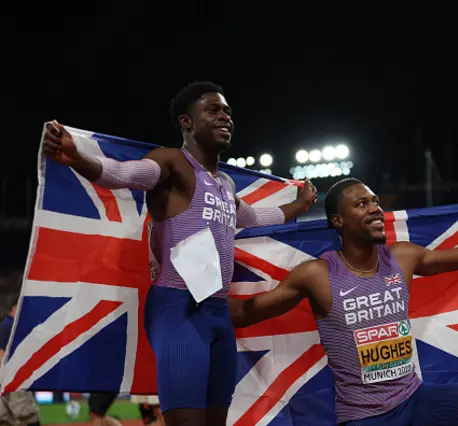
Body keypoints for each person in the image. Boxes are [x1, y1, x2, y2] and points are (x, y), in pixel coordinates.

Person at [42, 81, 317, 426]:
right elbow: (125, 175)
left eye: (228, 112)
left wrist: (300, 205)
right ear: (186, 122)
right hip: (178, 309)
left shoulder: (224, 185)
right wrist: (79, 158)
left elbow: (257, 217)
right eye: (214, 110)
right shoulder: (172, 164)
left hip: (218, 314)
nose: (225, 117)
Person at [230, 177, 458, 426]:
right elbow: (249, 312)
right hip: (365, 417)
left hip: (415, 400)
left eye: (376, 201)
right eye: (362, 204)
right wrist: (195, 300)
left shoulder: (402, 258)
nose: (375, 209)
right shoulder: (317, 275)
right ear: (338, 221)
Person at [0, 295, 42, 426]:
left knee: (6, 417)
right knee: (27, 415)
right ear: (13, 308)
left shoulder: (9, 325)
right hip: (11, 377)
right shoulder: (8, 326)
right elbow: (1, 353)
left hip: (7, 377)